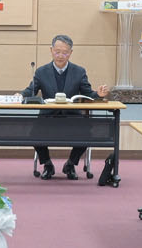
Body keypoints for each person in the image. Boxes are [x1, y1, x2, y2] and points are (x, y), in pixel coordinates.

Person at [24, 34, 94, 178]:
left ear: (71, 53)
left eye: (65, 52)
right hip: (48, 118)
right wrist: (20, 95)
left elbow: (88, 94)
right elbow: (31, 91)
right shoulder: (41, 72)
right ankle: (47, 164)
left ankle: (70, 164)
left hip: (72, 118)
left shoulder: (79, 71)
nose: (60, 56)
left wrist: (99, 94)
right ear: (51, 50)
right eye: (57, 52)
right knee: (33, 134)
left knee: (88, 135)